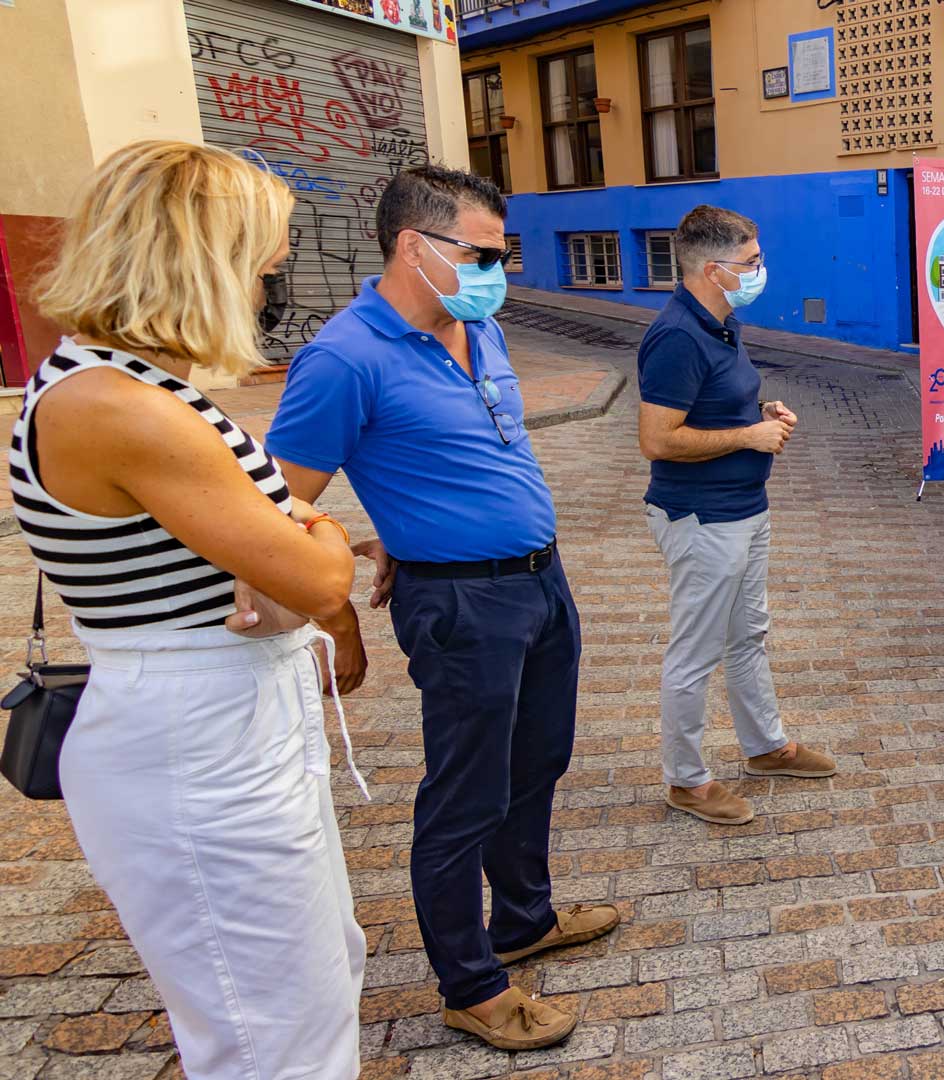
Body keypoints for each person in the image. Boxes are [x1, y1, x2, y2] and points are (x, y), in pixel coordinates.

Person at [17, 141, 361, 1078]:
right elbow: (319, 578)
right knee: (271, 1033)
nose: (269, 278)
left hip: (226, 719)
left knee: (316, 986)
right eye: (263, 257)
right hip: (194, 735)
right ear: (202, 258)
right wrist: (305, 545)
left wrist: (290, 541)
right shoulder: (118, 404)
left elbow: (287, 542)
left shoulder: (139, 387)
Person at [267, 166, 617, 1051]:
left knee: (538, 763)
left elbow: (465, 454)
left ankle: (525, 918)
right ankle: (470, 984)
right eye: (485, 253)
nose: (500, 269)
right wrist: (353, 575)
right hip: (462, 606)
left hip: (540, 582)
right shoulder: (344, 358)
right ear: (413, 248)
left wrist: (401, 525)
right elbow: (272, 505)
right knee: (465, 795)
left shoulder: (480, 326)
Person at [638, 205, 835, 827]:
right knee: (695, 651)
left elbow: (714, 408)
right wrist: (748, 437)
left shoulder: (722, 324)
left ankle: (766, 747)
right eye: (751, 263)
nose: (760, 271)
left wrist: (760, 415)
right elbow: (658, 439)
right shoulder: (677, 335)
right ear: (714, 271)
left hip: (744, 509)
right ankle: (687, 780)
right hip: (702, 517)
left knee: (748, 635)